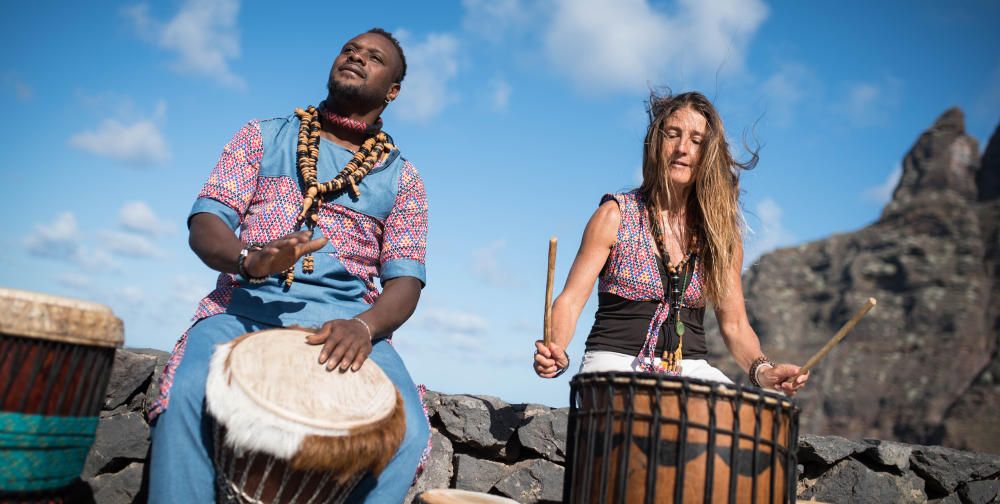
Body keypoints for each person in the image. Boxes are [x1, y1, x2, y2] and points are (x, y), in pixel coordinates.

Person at [146, 28, 430, 503]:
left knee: (408, 433)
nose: (356, 57)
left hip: (347, 325)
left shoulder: (403, 178)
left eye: (373, 57)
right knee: (186, 397)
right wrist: (248, 259)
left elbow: (405, 283)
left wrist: (363, 327)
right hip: (242, 306)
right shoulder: (262, 135)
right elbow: (206, 222)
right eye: (348, 49)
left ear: (393, 91)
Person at [533, 91, 808, 395]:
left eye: (696, 140)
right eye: (673, 135)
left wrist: (763, 371)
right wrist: (555, 348)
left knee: (745, 420)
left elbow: (735, 326)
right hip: (615, 362)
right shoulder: (615, 215)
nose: (682, 149)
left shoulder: (720, 236)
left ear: (708, 154)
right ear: (656, 144)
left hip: (690, 369)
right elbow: (570, 301)